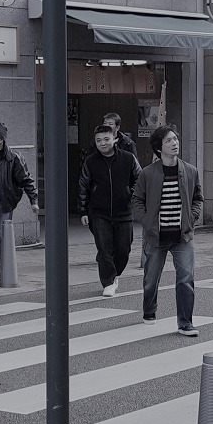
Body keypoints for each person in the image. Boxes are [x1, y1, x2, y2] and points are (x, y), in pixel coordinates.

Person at [131, 124, 203, 335]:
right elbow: (136, 199)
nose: (175, 143)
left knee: (186, 279)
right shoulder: (148, 173)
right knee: (151, 279)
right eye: (169, 140)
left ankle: (185, 323)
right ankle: (149, 311)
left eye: (175, 139)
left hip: (183, 236)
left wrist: (192, 217)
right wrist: (146, 221)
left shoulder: (190, 171)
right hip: (156, 236)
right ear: (159, 147)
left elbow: (198, 198)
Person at [78, 124, 141, 296]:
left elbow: (139, 178)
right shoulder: (90, 162)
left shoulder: (128, 158)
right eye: (99, 141)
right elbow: (84, 185)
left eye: (106, 139)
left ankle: (114, 275)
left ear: (114, 139)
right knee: (104, 249)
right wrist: (83, 210)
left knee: (123, 249)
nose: (103, 143)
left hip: (124, 211)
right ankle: (108, 281)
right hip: (99, 212)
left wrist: (131, 194)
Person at [0, 122, 39, 279]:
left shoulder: (13, 158)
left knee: (2, 235)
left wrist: (34, 200)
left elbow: (26, 180)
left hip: (5, 203)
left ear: (1, 139)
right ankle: (5, 251)